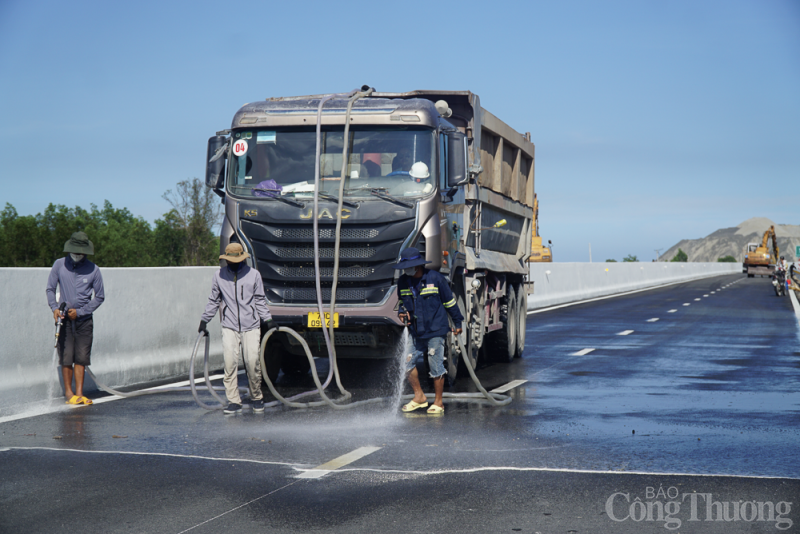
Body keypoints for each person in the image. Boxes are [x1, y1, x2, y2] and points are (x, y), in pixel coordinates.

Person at [199, 242, 275, 415]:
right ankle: (233, 401)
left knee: (252, 362)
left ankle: (256, 397)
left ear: (242, 259)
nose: (231, 263)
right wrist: (204, 320)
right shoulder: (219, 275)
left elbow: (259, 300)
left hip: (251, 326)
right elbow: (214, 300)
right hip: (229, 325)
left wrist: (268, 319)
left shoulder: (253, 275)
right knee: (230, 363)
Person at [392, 247, 463, 415]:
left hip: (435, 330)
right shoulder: (403, 282)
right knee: (407, 363)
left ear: (418, 266)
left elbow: (449, 303)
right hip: (416, 331)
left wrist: (457, 321)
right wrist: (403, 313)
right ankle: (419, 397)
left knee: (435, 365)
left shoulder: (436, 279)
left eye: (409, 266)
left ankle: (438, 402)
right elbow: (402, 303)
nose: (406, 270)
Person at [46, 231, 105, 405]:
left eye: (81, 253)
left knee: (81, 357)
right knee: (66, 356)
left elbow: (99, 297)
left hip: (83, 320)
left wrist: (80, 312)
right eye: (75, 252)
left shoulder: (94, 270)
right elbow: (50, 289)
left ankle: (79, 393)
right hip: (64, 319)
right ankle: (69, 394)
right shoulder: (59, 265)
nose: (77, 255)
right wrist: (54, 308)